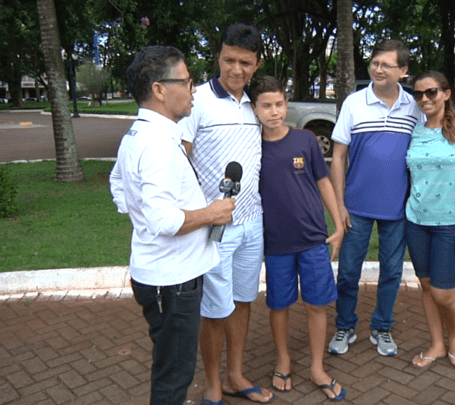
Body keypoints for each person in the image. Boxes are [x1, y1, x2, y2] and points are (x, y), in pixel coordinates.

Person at [109, 45, 235, 405]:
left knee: (170, 367)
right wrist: (211, 214)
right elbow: (164, 219)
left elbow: (119, 185)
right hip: (172, 282)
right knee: (174, 377)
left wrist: (138, 213)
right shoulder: (158, 144)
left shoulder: (138, 135)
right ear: (160, 89)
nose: (192, 89)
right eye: (187, 81)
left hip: (163, 275)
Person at [179, 23, 273, 404]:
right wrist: (198, 213)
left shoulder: (258, 103)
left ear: (257, 64)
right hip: (215, 227)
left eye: (245, 63)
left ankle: (235, 375)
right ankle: (213, 384)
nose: (236, 70)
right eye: (229, 59)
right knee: (214, 310)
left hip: (253, 220)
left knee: (243, 300)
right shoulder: (196, 100)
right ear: (218, 55)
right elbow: (179, 158)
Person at [249, 75, 347, 401]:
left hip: (313, 239)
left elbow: (323, 182)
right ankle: (283, 359)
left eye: (279, 104)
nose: (274, 112)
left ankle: (317, 367)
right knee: (279, 305)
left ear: (286, 104)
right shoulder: (251, 148)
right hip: (275, 243)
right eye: (266, 106)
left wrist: (338, 226)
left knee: (317, 304)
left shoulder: (305, 140)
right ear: (254, 108)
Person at [328, 39, 422, 357]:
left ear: (403, 71)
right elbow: (338, 157)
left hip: (398, 208)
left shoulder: (414, 107)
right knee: (349, 271)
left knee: (392, 271)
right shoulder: (354, 103)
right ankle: (345, 325)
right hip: (356, 207)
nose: (378, 69)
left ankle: (382, 327)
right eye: (375, 63)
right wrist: (339, 204)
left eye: (386, 65)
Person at [406, 71, 455, 370]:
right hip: (416, 220)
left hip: (451, 223)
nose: (425, 99)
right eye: (418, 94)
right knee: (426, 287)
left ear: (447, 94)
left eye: (432, 92)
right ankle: (437, 343)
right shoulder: (414, 132)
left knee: (443, 291)